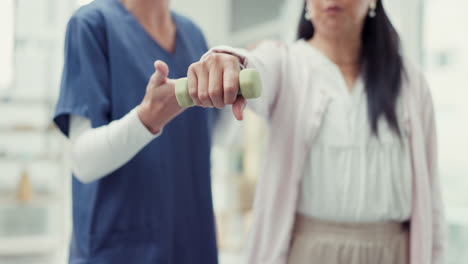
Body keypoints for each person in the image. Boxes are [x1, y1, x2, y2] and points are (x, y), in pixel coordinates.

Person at [183, 0, 446, 264]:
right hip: (308, 254)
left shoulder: (410, 82)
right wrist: (229, 63)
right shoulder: (287, 64)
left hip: (395, 253)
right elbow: (257, 66)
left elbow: (432, 201)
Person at [53, 0, 243, 262]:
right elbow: (82, 161)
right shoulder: (91, 25)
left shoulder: (193, 35)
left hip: (191, 243)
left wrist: (233, 92)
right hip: (121, 250)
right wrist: (147, 118)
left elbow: (213, 138)